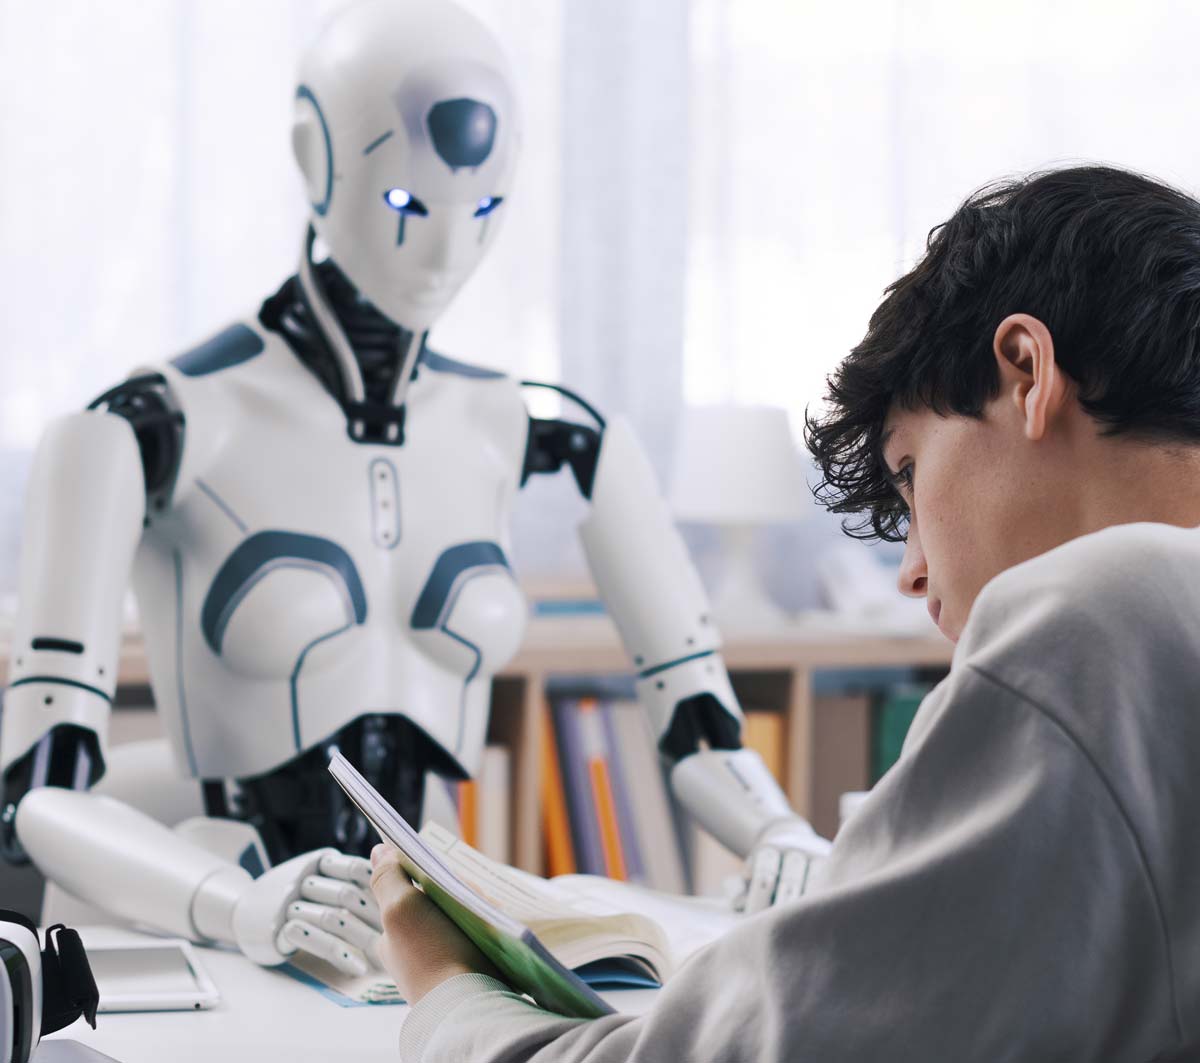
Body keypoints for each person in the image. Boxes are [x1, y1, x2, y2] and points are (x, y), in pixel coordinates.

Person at [367, 164, 1200, 1061]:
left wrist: (447, 988)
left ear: (1027, 372)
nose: (912, 573)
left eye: (910, 473)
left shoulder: (1103, 615)